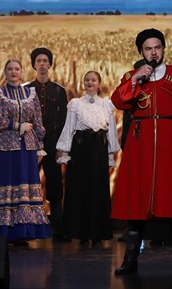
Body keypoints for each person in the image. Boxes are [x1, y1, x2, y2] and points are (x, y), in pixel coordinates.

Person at [111, 28, 172, 275]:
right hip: (140, 143)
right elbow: (118, 101)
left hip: (171, 141)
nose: (153, 53)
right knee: (136, 202)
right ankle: (130, 260)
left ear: (163, 49)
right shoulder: (131, 76)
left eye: (157, 48)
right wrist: (136, 77)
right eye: (148, 49)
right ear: (141, 52)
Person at [0, 59, 50, 243]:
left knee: (24, 187)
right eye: (10, 69)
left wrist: (39, 145)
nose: (13, 72)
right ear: (5, 73)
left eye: (17, 69)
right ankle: (2, 231)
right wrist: (17, 125)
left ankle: (23, 231)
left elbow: (38, 121)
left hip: (27, 147)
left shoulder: (30, 93)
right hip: (5, 148)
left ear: (22, 72)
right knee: (6, 184)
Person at [56, 71, 119, 246]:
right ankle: (82, 233)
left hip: (99, 150)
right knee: (80, 190)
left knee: (98, 190)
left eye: (93, 80)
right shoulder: (75, 104)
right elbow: (69, 127)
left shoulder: (106, 104)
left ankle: (97, 233)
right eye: (87, 80)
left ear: (99, 83)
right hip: (81, 150)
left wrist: (111, 154)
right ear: (84, 83)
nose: (90, 83)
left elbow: (111, 130)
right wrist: (64, 151)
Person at [25, 48, 68, 238]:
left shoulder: (59, 90)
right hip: (30, 141)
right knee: (28, 183)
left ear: (50, 64)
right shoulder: (25, 90)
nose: (42, 64)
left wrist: (61, 146)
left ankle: (58, 226)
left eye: (45, 61)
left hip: (52, 141)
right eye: (38, 61)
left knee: (55, 183)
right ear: (34, 65)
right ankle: (26, 227)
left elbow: (64, 120)